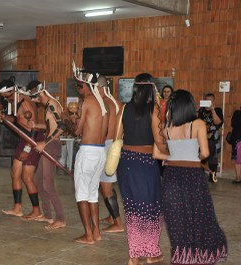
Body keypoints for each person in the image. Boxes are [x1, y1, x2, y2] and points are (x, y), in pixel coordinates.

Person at [153, 89, 228, 264]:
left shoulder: (166, 128)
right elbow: (205, 153)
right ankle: (205, 254)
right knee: (201, 217)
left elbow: (157, 154)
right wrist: (193, 157)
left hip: (171, 178)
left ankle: (183, 257)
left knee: (177, 220)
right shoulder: (198, 124)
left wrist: (171, 159)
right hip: (193, 177)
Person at [116, 73, 164, 265]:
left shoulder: (124, 108)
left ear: (135, 88)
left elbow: (116, 136)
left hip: (126, 163)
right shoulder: (154, 109)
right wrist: (173, 152)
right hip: (145, 163)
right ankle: (150, 252)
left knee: (133, 209)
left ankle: (134, 254)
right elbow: (159, 141)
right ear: (152, 88)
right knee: (151, 207)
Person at [0, 78, 43, 219]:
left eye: (6, 96)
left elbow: (32, 127)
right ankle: (17, 208)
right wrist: (4, 117)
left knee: (27, 177)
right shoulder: (15, 102)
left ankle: (36, 210)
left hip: (32, 140)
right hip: (24, 139)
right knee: (15, 174)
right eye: (3, 97)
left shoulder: (25, 102)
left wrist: (27, 149)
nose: (5, 99)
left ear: (12, 92)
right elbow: (18, 120)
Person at [72, 67, 108, 245]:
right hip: (101, 151)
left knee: (81, 194)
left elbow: (77, 131)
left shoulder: (87, 101)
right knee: (93, 194)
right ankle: (97, 233)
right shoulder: (103, 102)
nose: (78, 91)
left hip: (87, 151)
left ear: (84, 86)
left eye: (78, 87)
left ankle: (88, 235)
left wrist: (67, 119)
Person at [26, 80, 66, 230]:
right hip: (49, 145)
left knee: (48, 184)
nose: (36, 101)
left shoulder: (52, 105)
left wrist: (45, 143)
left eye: (37, 97)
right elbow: (51, 127)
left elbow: (62, 126)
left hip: (52, 146)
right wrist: (36, 125)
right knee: (38, 179)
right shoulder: (49, 105)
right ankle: (48, 215)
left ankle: (60, 218)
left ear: (42, 93)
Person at [96, 76, 125, 233]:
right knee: (107, 185)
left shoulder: (104, 103)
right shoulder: (116, 101)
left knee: (106, 187)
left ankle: (118, 223)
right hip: (115, 145)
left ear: (99, 87)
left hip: (107, 146)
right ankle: (111, 215)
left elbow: (103, 129)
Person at [198, 93, 223, 182]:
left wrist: (212, 110)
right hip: (202, 138)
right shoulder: (201, 110)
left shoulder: (218, 110)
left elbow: (218, 123)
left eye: (210, 101)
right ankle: (200, 176)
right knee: (201, 157)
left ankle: (213, 177)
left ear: (214, 101)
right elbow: (198, 123)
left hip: (213, 139)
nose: (208, 103)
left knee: (213, 159)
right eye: (206, 100)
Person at [230, 108, 241, 183]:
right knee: (238, 159)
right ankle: (238, 177)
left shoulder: (237, 113)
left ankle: (238, 177)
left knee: (238, 159)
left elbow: (232, 124)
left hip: (237, 139)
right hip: (237, 138)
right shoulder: (237, 113)